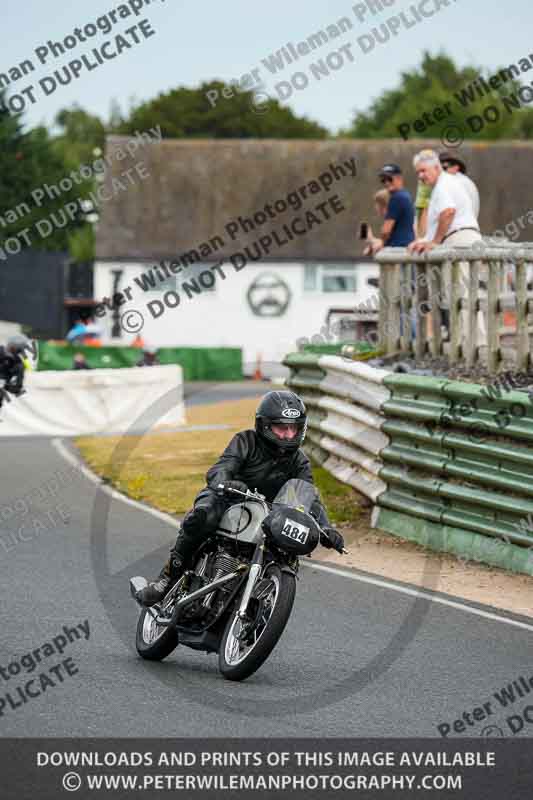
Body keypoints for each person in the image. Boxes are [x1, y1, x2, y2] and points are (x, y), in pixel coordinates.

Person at [137, 390, 345, 606]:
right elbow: (222, 467)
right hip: (228, 498)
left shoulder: (299, 460)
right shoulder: (245, 441)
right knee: (203, 516)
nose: (287, 435)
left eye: (293, 429)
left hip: (267, 512)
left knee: (283, 549)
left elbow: (309, 494)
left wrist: (325, 527)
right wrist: (225, 481)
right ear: (265, 425)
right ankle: (166, 579)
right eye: (281, 428)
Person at [409, 149, 482, 344]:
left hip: (458, 240)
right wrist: (426, 240)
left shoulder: (442, 185)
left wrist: (435, 242)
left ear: (436, 167)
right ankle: (470, 344)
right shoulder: (445, 185)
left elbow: (448, 212)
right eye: (418, 172)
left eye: (423, 171)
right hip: (461, 238)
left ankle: (474, 345)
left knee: (462, 296)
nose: (420, 176)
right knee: (461, 296)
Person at [369, 164, 415, 255]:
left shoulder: (396, 197)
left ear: (399, 178)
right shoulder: (405, 195)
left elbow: (386, 230)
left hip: (397, 250)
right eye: (383, 180)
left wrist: (381, 243)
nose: (386, 183)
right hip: (405, 248)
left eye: (389, 179)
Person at [439, 152, 480, 219]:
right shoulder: (467, 182)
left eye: (443, 168)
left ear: (456, 168)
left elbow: (448, 213)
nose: (440, 172)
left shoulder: (453, 182)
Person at [363, 189, 389, 256]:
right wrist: (371, 242)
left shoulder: (394, 223)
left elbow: (392, 245)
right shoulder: (387, 222)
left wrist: (371, 239)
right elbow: (366, 252)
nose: (375, 207)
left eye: (377, 204)